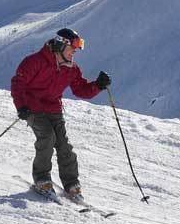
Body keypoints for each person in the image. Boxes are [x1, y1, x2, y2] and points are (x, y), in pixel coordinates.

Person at [11, 28, 111, 203]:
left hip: (53, 108)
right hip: (33, 107)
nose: (75, 52)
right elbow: (18, 83)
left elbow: (81, 89)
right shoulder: (34, 62)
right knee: (47, 137)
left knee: (63, 144)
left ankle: (71, 183)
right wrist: (22, 106)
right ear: (60, 45)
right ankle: (42, 179)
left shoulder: (71, 68)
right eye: (72, 47)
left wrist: (98, 85)